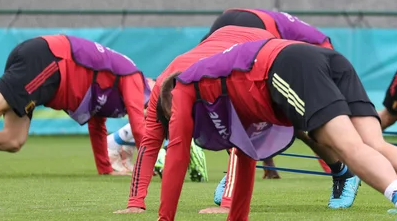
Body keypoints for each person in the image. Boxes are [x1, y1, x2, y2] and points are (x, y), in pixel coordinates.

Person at [157, 38, 397, 221]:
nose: (180, 122)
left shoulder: (183, 88)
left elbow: (179, 152)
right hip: (321, 57)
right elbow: (247, 153)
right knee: (373, 142)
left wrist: (164, 218)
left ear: (171, 105)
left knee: (347, 146)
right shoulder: (217, 84)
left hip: (285, 66)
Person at [203, 8, 359, 211]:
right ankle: (237, 173)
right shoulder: (216, 44)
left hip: (315, 56)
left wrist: (228, 202)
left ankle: (342, 172)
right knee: (242, 109)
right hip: (281, 55)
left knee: (302, 122)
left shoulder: (255, 38)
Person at [114, 25, 279, 214]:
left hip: (263, 46)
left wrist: (228, 205)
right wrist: (135, 203)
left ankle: (232, 191)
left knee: (252, 131)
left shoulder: (218, 84)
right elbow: (149, 144)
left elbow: (240, 143)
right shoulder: (160, 89)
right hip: (221, 37)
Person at [0, 34, 149, 175]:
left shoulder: (118, 95)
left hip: (48, 68)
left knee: (13, 140)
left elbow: (97, 124)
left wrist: (105, 169)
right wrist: (156, 162)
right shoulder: (135, 78)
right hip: (49, 57)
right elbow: (138, 126)